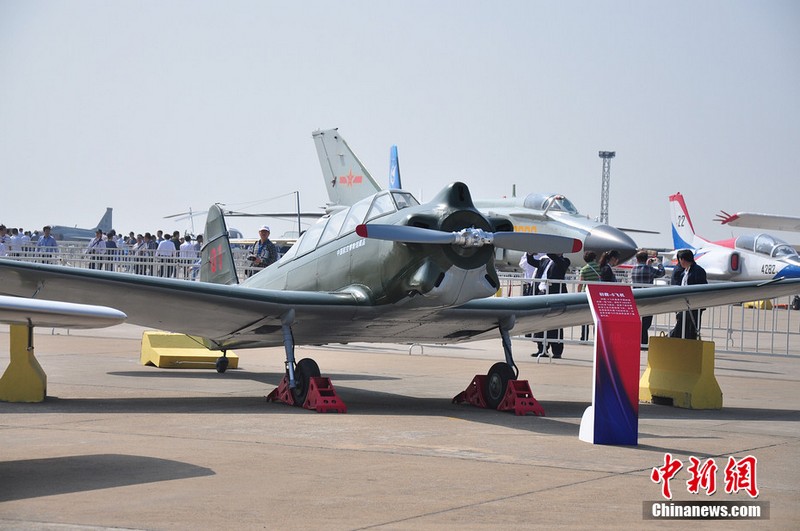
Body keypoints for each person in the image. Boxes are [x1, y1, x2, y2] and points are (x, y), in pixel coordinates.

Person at [670, 249, 708, 339]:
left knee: (691, 329)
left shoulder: (698, 271)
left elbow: (701, 287)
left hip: (694, 305)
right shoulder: (685, 271)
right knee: (681, 327)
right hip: (685, 305)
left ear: (683, 260)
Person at [631, 250, 666, 348]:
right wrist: (659, 263)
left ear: (637, 259)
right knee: (646, 323)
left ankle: (638, 342)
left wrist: (648, 265)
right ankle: (644, 343)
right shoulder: (649, 269)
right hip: (648, 298)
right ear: (646, 258)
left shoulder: (633, 269)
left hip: (636, 298)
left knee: (639, 322)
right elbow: (662, 273)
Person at [577, 251, 600, 342]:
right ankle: (596, 337)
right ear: (594, 258)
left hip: (586, 294)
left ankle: (584, 337)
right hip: (597, 294)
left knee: (585, 317)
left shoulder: (584, 269)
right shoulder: (599, 268)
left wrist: (578, 294)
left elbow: (580, 283)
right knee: (596, 317)